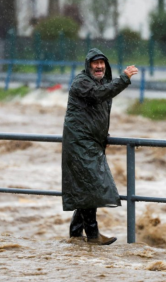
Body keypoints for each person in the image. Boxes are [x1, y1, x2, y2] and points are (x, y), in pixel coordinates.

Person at [61, 48, 138, 245]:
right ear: (88, 65)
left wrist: (103, 136)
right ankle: (93, 235)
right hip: (80, 144)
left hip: (90, 143)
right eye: (95, 63)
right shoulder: (82, 82)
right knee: (92, 187)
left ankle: (76, 234)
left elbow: (97, 112)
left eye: (102, 63)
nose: (99, 66)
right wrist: (124, 79)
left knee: (88, 188)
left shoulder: (100, 82)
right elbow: (99, 95)